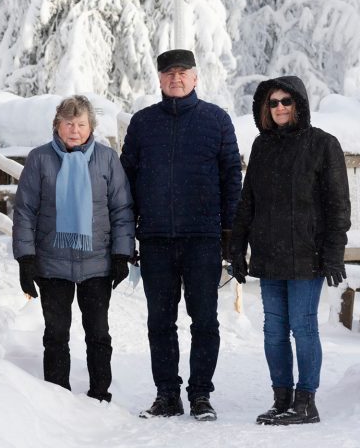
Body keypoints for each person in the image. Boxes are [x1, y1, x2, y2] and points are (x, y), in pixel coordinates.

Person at [120, 49, 242, 421]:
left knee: (204, 320)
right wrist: (129, 235)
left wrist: (230, 237)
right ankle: (167, 394)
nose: (176, 78)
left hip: (202, 239)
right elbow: (126, 182)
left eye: (183, 72)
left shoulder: (216, 120)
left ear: (195, 77)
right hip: (155, 239)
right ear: (159, 79)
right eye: (169, 73)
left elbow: (231, 179)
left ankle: (201, 394)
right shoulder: (142, 123)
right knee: (160, 321)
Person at [229, 76, 350, 425]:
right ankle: (281, 398)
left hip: (306, 254)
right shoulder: (262, 146)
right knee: (273, 329)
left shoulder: (323, 145)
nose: (280, 107)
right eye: (273, 103)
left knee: (303, 326)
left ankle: (305, 402)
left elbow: (338, 204)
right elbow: (247, 202)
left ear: (299, 103)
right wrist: (237, 249)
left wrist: (333, 252)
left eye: (286, 101)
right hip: (269, 254)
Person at [13, 95, 135, 403]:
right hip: (52, 264)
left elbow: (121, 209)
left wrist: (122, 254)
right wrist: (25, 259)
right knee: (56, 335)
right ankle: (58, 396)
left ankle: (99, 394)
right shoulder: (39, 159)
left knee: (98, 334)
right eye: (68, 123)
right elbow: (25, 211)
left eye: (81, 124)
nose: (75, 130)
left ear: (91, 126)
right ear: (57, 125)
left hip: (97, 263)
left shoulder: (107, 159)